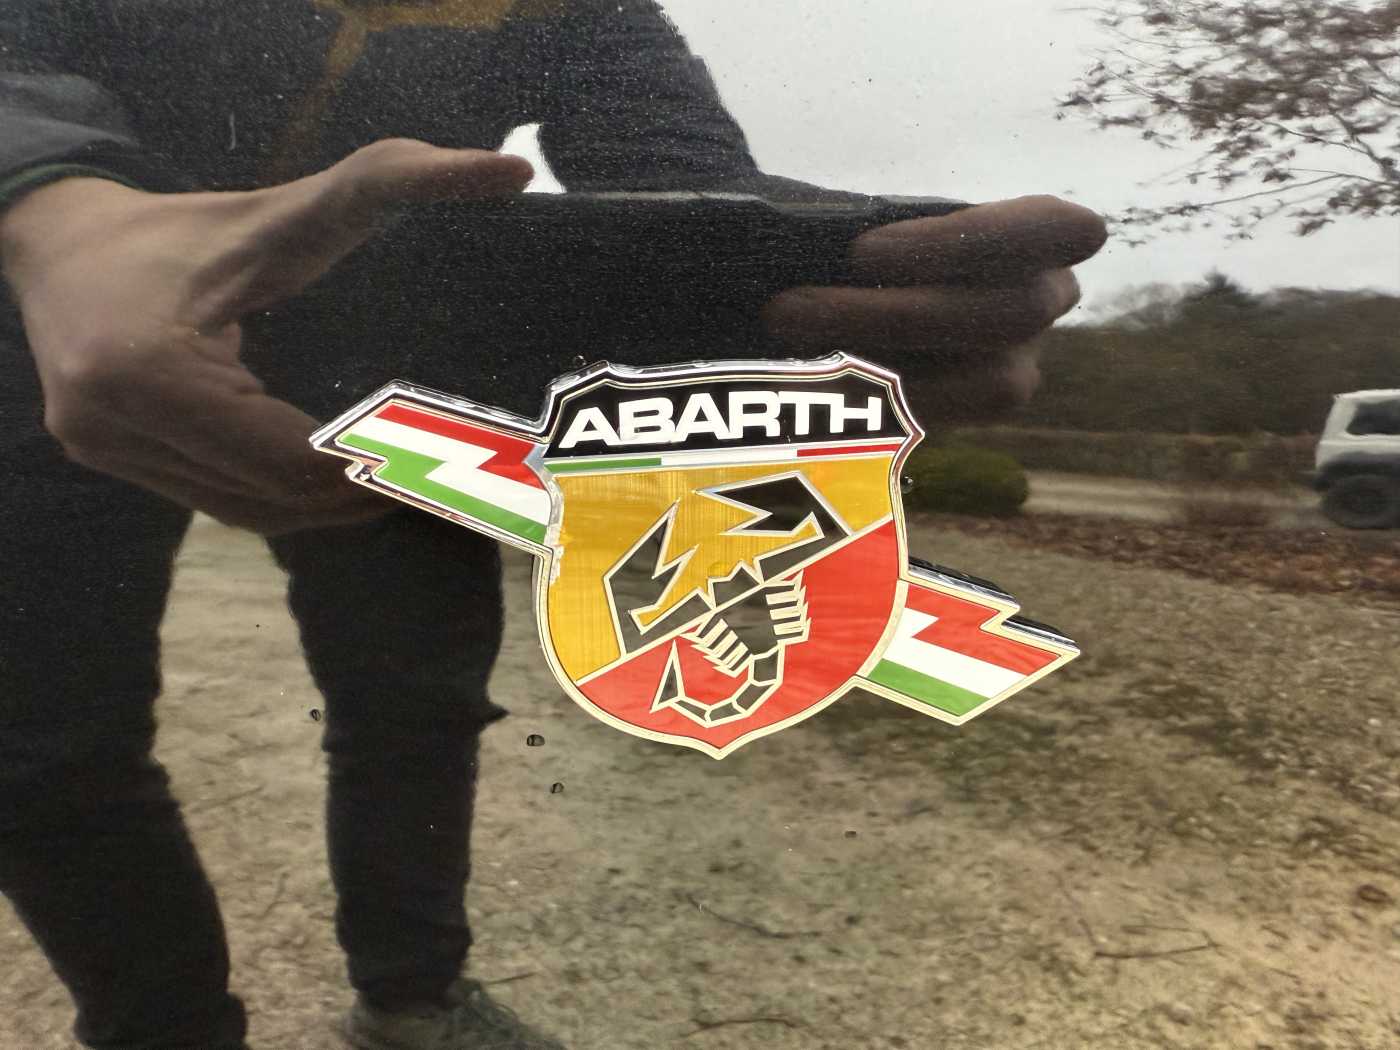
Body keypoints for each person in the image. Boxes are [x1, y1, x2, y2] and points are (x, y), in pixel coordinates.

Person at [0, 2, 1108, 1048]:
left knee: (415, 704)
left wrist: (811, 261)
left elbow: (674, 180)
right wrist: (52, 205)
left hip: (386, 357)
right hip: (45, 335)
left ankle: (413, 1003)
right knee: (43, 740)